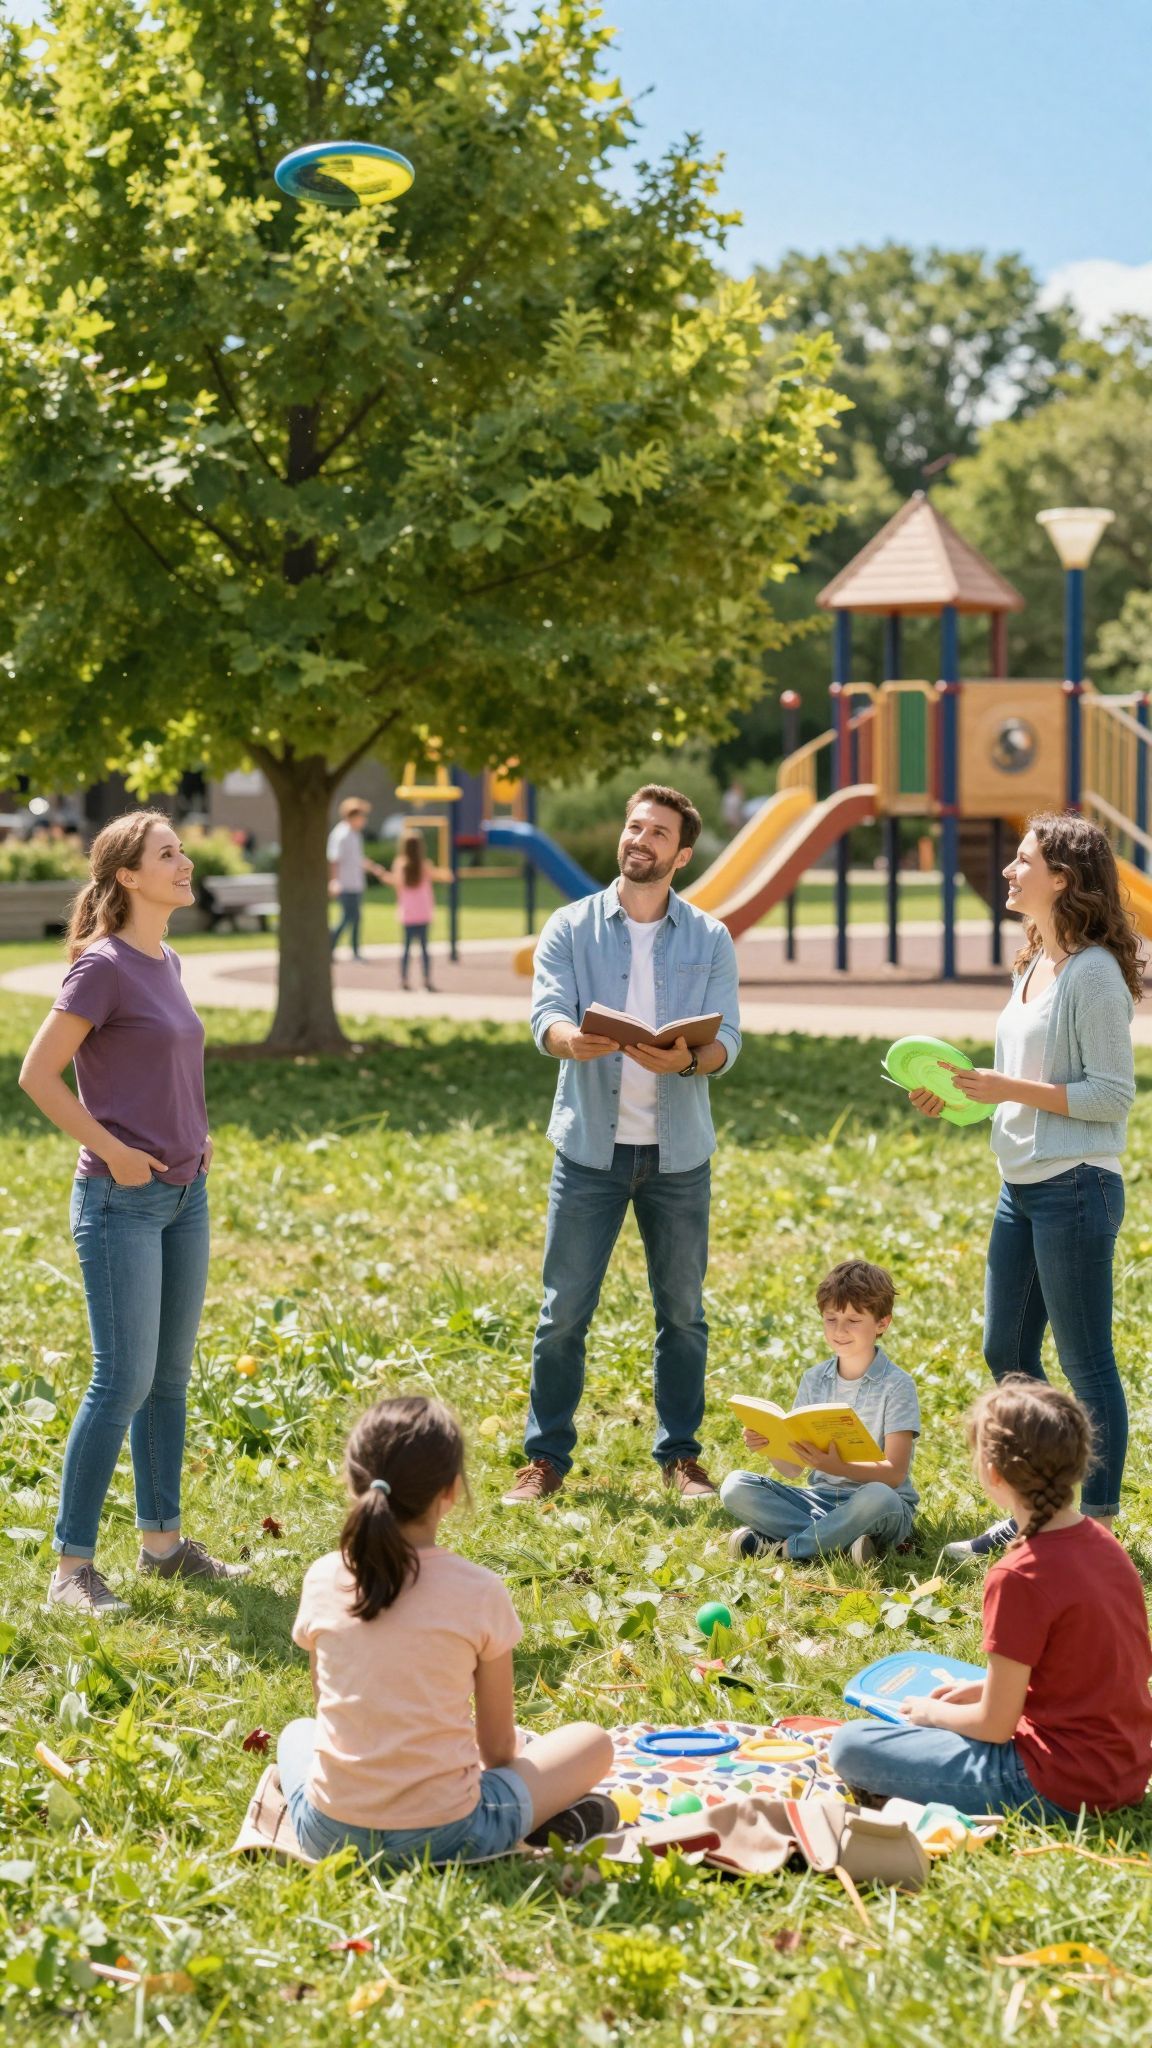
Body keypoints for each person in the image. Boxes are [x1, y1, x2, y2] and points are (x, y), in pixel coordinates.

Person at [19, 810, 247, 1618]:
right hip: (122, 1200)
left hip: (186, 1195)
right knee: (121, 1380)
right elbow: (38, 1077)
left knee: (169, 1381)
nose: (186, 862)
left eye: (184, 849)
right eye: (168, 854)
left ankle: (163, 1546)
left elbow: (168, 1061)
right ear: (127, 877)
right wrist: (113, 1150)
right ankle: (70, 1570)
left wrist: (200, 1129)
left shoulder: (168, 958)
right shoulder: (103, 967)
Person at [503, 785, 741, 1507]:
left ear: (682, 854)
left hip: (678, 1157)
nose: (640, 839)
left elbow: (728, 1037)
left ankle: (681, 1458)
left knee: (683, 1314)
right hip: (589, 1155)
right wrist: (570, 1040)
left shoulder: (711, 937)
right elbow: (544, 1012)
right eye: (634, 825)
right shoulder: (571, 928)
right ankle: (544, 1459)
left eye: (657, 832)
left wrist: (693, 1062)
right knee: (563, 1312)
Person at [909, 815, 1139, 1559]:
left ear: (1063, 879)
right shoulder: (1033, 960)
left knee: (1087, 1361)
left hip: (1076, 1186)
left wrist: (1007, 1084)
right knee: (1005, 1346)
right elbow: (1024, 1086)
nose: (1008, 870)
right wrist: (961, 1094)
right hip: (1022, 1183)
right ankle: (1041, 1505)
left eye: (1022, 860)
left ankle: (1092, 1531)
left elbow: (1109, 1095)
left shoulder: (1095, 973)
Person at [277, 1395, 617, 1866]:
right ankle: (545, 1820)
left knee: (296, 1731)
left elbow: (326, 1713)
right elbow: (497, 1752)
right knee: (592, 1743)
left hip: (330, 1836)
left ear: (354, 1483)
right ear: (452, 1491)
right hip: (451, 1835)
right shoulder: (479, 1591)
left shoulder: (321, 1577)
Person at [830, 1379, 1152, 1820]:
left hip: (1054, 1783)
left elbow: (994, 1727)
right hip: (1126, 1768)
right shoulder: (1104, 1543)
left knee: (850, 1746)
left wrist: (932, 1712)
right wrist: (984, 1689)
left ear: (993, 1472)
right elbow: (1091, 1672)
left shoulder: (1018, 1574)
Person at [720, 1260, 919, 1565]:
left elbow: (894, 1474)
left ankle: (786, 1549)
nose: (839, 1330)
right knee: (735, 1486)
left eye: (853, 1320)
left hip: (879, 1504)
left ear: (882, 1323)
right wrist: (768, 1444)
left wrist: (839, 1467)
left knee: (877, 1497)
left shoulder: (897, 1385)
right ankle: (843, 1542)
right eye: (831, 1319)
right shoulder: (814, 1379)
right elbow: (792, 1469)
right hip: (820, 1501)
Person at [386, 828, 453, 993]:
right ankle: (427, 980)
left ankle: (404, 980)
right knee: (424, 949)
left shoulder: (400, 865)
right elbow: (444, 877)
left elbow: (397, 885)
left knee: (406, 949)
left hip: (408, 913)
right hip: (423, 912)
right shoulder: (424, 866)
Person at [327, 797, 389, 963]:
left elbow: (356, 858)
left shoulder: (355, 835)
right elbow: (334, 860)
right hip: (345, 884)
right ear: (352, 816)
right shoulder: (341, 835)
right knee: (347, 917)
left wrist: (373, 868)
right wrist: (334, 881)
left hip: (355, 883)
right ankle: (329, 946)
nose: (364, 821)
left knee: (355, 918)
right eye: (362, 816)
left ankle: (354, 951)